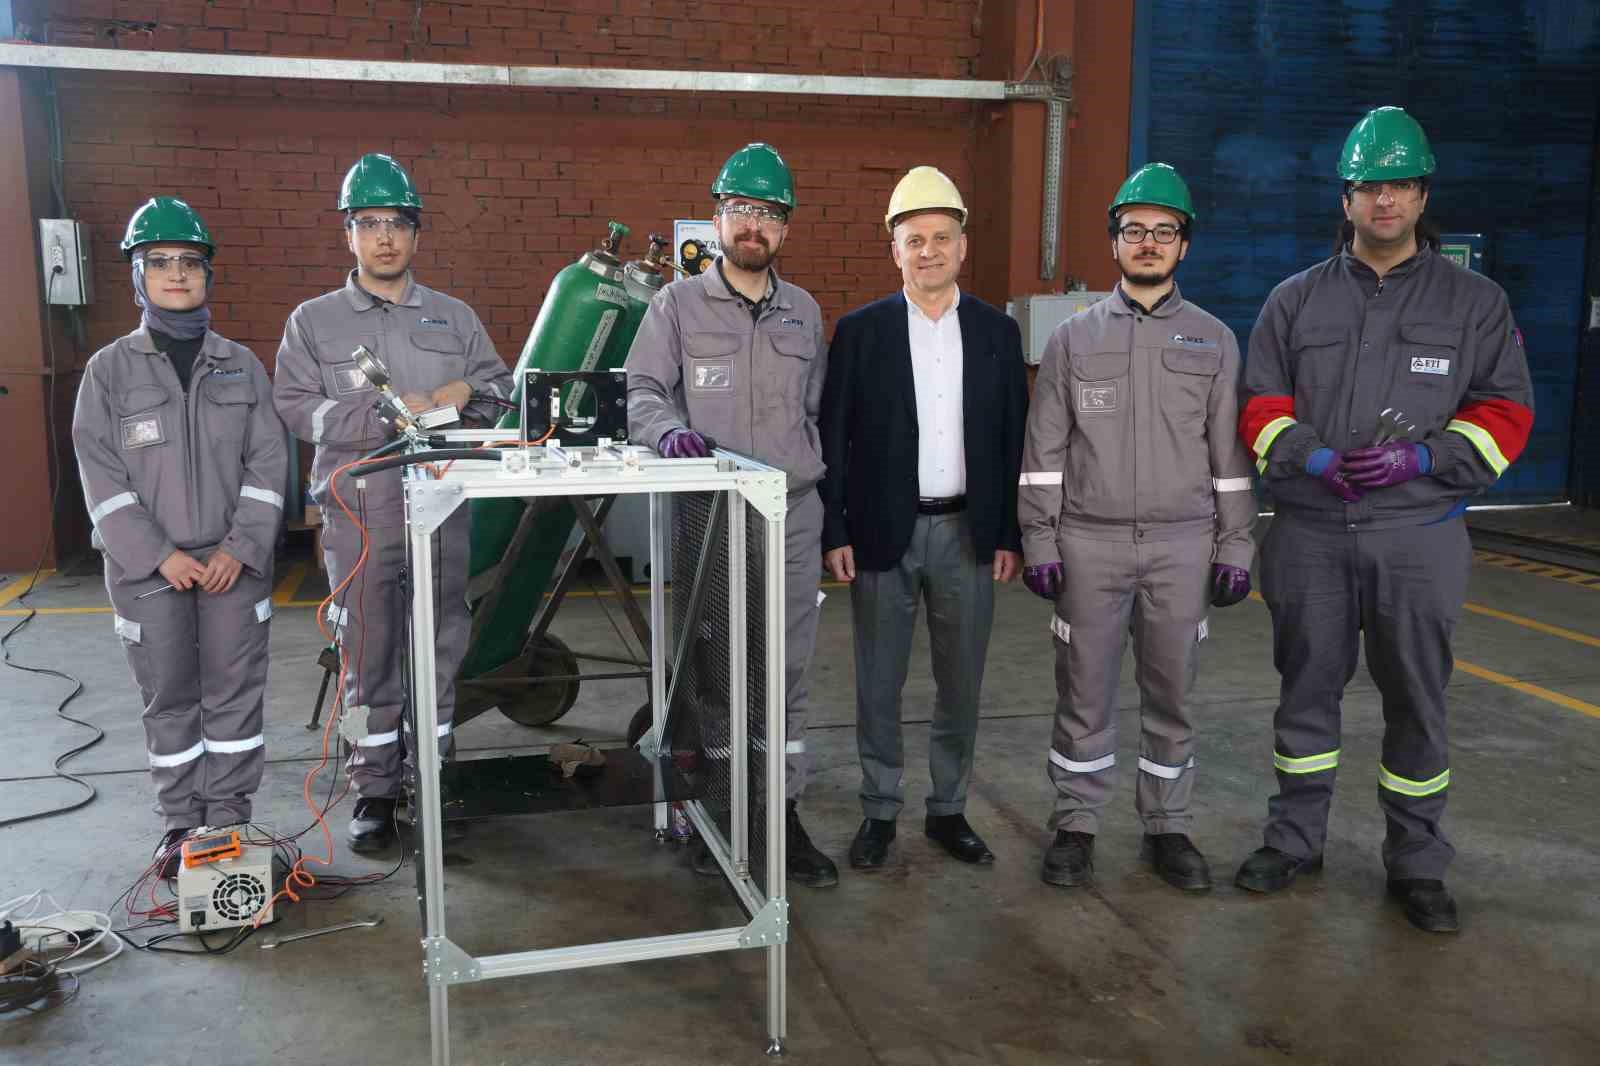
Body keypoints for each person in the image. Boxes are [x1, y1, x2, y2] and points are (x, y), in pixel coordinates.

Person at [1235, 107, 1533, 932]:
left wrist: (1426, 458)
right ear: (1347, 199)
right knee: (1305, 693)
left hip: (1418, 536)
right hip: (1310, 533)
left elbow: (1507, 413)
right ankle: (1294, 840)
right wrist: (1310, 456)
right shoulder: (1294, 301)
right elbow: (1258, 405)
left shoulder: (1475, 303)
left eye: (1400, 185)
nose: (1385, 201)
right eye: (1369, 186)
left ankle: (1418, 862)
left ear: (1423, 195)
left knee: (1418, 698)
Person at [1017, 164, 1257, 892]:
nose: (1148, 242)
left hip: (1183, 545)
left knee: (1173, 694)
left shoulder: (1214, 340)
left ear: (1184, 244)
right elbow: (1044, 453)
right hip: (1089, 544)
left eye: (1164, 231)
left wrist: (1236, 545)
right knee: (1082, 693)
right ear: (1114, 241)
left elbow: (1230, 458)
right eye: (1134, 230)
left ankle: (1167, 827)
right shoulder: (1073, 339)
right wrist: (1039, 539)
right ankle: (1076, 824)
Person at [273, 153, 512, 853]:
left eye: (398, 224)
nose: (384, 237)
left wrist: (465, 393)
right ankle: (374, 788)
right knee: (367, 650)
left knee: (440, 644)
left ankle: (432, 777)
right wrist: (377, 414)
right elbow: (295, 406)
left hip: (441, 508)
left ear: (416, 234)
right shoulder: (314, 322)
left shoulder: (453, 318)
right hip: (360, 513)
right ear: (348, 233)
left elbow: (499, 390)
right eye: (369, 223)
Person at [625, 143, 838, 888]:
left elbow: (816, 412)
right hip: (710, 516)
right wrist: (665, 432)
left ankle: (780, 810)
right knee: (715, 670)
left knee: (785, 670)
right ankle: (720, 807)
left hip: (791, 517)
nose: (754, 225)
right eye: (742, 210)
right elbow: (642, 391)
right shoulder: (675, 306)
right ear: (717, 219)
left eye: (769, 213)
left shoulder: (804, 312)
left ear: (785, 228)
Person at [818, 166, 1027, 870]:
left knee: (960, 682)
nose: (929, 251)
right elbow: (834, 438)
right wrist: (836, 529)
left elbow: (1013, 439)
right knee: (878, 683)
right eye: (915, 240)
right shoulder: (860, 332)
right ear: (895, 251)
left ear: (962, 246)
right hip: (883, 533)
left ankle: (948, 810)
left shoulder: (997, 333)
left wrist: (1009, 533)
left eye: (941, 238)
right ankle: (879, 810)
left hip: (969, 532)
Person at [73, 197, 287, 877]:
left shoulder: (241, 366)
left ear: (207, 275)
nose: (175, 273)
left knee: (234, 693)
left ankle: (229, 818)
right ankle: (180, 824)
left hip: (232, 566)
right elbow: (101, 478)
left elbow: (268, 466)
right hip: (148, 573)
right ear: (137, 276)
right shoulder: (109, 371)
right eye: (158, 261)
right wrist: (159, 555)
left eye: (189, 262)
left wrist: (239, 549)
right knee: (168, 698)